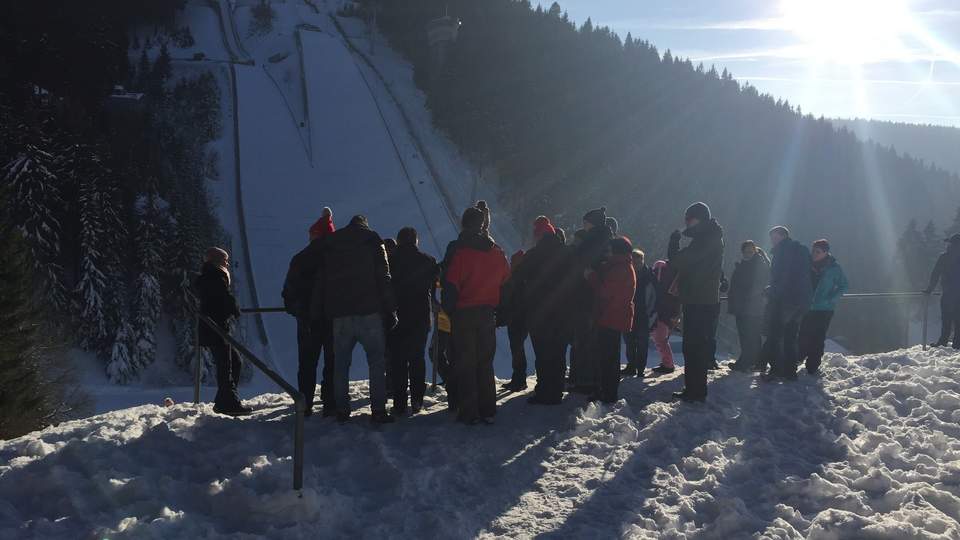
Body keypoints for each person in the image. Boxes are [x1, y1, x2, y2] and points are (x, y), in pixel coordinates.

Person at [324, 215, 398, 424]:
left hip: (340, 313)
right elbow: (384, 276)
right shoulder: (373, 240)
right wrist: (390, 309)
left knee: (340, 363)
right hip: (369, 312)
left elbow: (326, 278)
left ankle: (341, 409)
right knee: (376, 361)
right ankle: (378, 410)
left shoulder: (334, 242)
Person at [441, 205, 511, 424]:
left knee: (465, 362)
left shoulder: (460, 252)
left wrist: (448, 311)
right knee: (484, 362)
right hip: (487, 312)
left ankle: (469, 411)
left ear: (464, 223)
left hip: (463, 314)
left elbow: (451, 285)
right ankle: (488, 408)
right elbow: (506, 280)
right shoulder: (497, 251)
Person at [502, 216, 569, 404]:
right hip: (562, 310)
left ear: (538, 237)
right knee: (558, 352)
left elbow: (518, 279)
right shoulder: (567, 253)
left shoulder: (532, 255)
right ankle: (556, 391)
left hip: (539, 311)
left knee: (543, 352)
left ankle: (544, 390)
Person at [667, 202, 724, 403]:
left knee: (694, 347)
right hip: (701, 299)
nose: (686, 224)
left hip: (700, 301)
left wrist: (674, 241)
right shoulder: (709, 236)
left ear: (698, 219)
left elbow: (678, 260)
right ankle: (694, 389)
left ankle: (696, 391)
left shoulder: (706, 239)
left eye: (689, 219)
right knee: (694, 347)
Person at [388, 227, 440, 415]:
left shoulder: (390, 260)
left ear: (399, 241)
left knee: (398, 360)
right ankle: (417, 400)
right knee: (417, 358)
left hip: (397, 316)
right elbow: (434, 288)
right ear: (416, 241)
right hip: (420, 317)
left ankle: (399, 403)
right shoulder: (428, 261)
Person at [282, 236, 335, 417]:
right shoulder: (336, 258)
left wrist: (298, 311)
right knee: (333, 363)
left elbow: (288, 292)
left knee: (306, 364)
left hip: (307, 321)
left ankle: (304, 403)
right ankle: (330, 402)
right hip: (332, 320)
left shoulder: (300, 258)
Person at [195, 247, 251, 415]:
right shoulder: (216, 276)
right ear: (217, 260)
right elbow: (225, 299)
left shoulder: (208, 275)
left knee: (233, 362)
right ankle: (228, 403)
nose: (227, 263)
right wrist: (234, 309)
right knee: (227, 365)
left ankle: (223, 400)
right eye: (225, 260)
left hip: (212, 327)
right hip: (216, 328)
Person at [568, 207, 614, 393]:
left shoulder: (591, 242)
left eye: (585, 223)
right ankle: (592, 378)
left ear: (592, 224)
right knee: (592, 340)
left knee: (584, 340)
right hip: (599, 298)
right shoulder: (608, 241)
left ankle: (584, 380)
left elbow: (579, 264)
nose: (583, 226)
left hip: (586, 296)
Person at [585, 237, 637, 403]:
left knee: (608, 358)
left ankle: (608, 393)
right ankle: (606, 390)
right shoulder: (622, 266)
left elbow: (605, 292)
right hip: (614, 316)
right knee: (609, 356)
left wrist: (591, 276)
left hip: (610, 317)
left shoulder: (619, 268)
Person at [762, 226, 813, 380]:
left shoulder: (783, 252)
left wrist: (772, 291)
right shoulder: (799, 251)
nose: (772, 241)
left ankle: (776, 370)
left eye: (774, 237)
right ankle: (790, 372)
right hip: (800, 300)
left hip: (784, 300)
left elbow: (783, 278)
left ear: (781, 236)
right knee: (790, 337)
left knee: (775, 335)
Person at [799, 239, 848, 374]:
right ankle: (799, 357)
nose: (814, 254)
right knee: (802, 334)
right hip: (806, 306)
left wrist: (831, 298)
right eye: (813, 251)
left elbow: (844, 285)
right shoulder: (806, 264)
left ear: (826, 253)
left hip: (824, 309)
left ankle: (813, 365)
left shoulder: (834, 268)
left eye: (818, 252)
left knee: (818, 337)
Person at [727, 240, 770, 373]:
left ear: (755, 250)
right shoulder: (750, 264)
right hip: (747, 306)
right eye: (745, 251)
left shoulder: (757, 265)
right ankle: (755, 362)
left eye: (750, 251)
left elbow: (758, 286)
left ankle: (746, 362)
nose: (747, 254)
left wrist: (746, 298)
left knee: (748, 335)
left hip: (750, 306)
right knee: (751, 335)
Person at [621, 249, 657, 377]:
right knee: (629, 342)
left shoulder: (649, 276)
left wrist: (651, 312)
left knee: (642, 343)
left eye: (638, 262)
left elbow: (654, 296)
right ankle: (631, 366)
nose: (635, 265)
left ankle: (640, 368)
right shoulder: (627, 273)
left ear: (642, 261)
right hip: (628, 312)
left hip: (643, 314)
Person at [924, 233, 960, 349]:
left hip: (948, 293)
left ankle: (943, 341)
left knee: (946, 319)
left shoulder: (944, 257)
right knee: (958, 320)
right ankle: (957, 342)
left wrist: (929, 289)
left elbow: (935, 274)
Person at [502, 246, 530, 391]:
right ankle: (520, 378)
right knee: (520, 347)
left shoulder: (513, 280)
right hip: (527, 316)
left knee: (517, 348)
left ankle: (519, 379)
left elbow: (507, 300)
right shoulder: (528, 278)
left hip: (515, 318)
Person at [650, 260, 680, 374]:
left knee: (660, 340)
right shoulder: (673, 279)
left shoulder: (658, 278)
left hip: (660, 313)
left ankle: (668, 365)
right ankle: (667, 363)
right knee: (662, 339)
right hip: (667, 313)